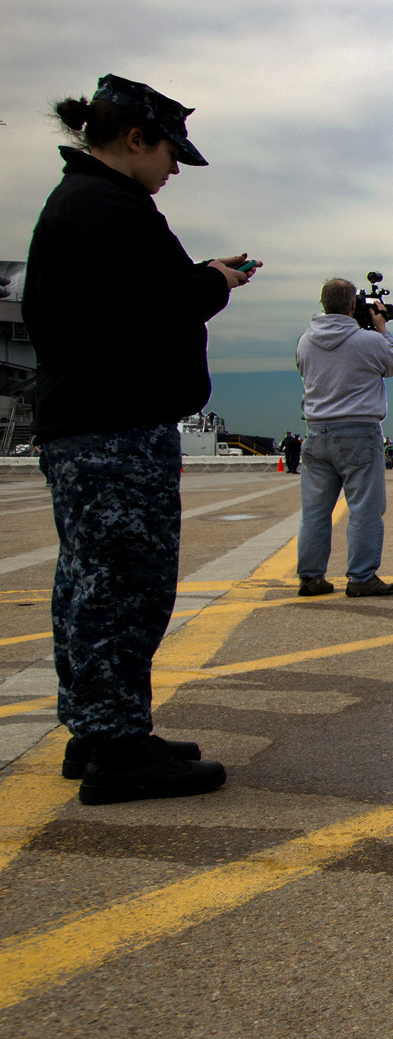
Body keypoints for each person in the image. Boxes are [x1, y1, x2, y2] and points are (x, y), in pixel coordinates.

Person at [29, 74, 248, 805]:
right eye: (169, 151)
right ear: (134, 139)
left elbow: (128, 302)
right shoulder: (106, 208)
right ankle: (118, 751)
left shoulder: (89, 203)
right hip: (113, 429)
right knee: (125, 585)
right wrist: (211, 283)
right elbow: (153, 309)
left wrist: (196, 280)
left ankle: (99, 731)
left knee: (94, 582)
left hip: (96, 424)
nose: (175, 167)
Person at [296, 278, 393, 597]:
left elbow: (305, 371)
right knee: (365, 508)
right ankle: (361, 577)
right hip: (358, 431)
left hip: (316, 432)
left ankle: (311, 577)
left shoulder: (305, 341)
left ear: (322, 304)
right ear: (353, 306)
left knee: (316, 510)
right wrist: (382, 327)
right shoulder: (367, 342)